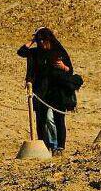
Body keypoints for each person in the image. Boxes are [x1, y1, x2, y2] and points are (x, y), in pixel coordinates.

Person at [17, 28, 77, 156]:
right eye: (40, 41)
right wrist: (32, 40)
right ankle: (44, 145)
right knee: (41, 120)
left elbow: (70, 70)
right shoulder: (36, 52)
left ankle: (60, 147)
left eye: (44, 41)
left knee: (58, 119)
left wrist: (63, 67)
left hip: (57, 89)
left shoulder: (59, 51)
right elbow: (21, 52)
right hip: (41, 90)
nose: (43, 44)